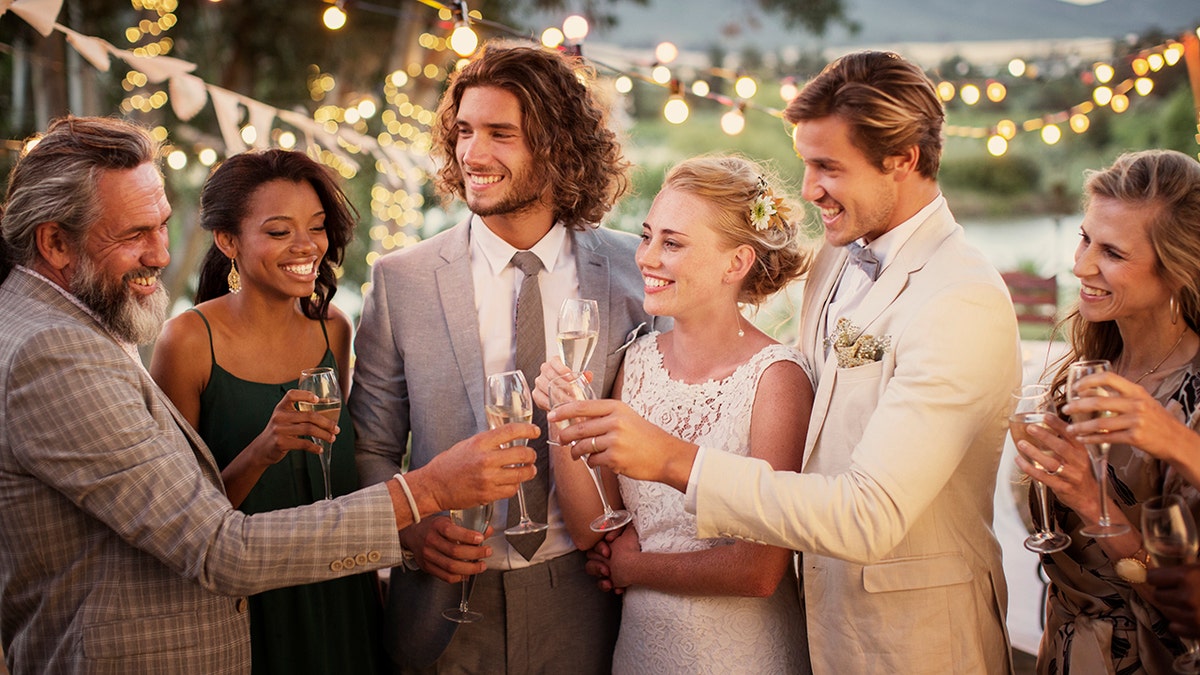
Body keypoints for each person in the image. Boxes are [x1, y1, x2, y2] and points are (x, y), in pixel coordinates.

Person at [0, 115, 536, 674]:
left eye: (161, 226)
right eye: (135, 234)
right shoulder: (53, 352)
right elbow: (218, 546)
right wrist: (425, 488)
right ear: (55, 242)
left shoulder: (72, 321)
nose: (160, 254)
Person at [553, 50, 1021, 673]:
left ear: (903, 159)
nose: (807, 191)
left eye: (828, 166)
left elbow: (868, 515)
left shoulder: (961, 298)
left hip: (909, 643)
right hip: (810, 628)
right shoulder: (838, 258)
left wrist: (671, 459)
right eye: (805, 164)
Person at [348, 42, 658, 673]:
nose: (472, 154)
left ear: (557, 145)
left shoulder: (636, 272)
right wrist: (409, 529)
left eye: (500, 134)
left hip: (589, 592)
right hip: (446, 599)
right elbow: (369, 445)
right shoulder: (402, 279)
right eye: (463, 131)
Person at [538, 155, 811, 672]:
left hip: (741, 654)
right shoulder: (637, 361)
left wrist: (633, 566)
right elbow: (592, 527)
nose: (646, 258)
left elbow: (759, 570)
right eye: (647, 236)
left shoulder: (777, 379)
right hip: (642, 649)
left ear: (737, 262)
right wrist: (565, 417)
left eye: (673, 243)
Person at [149, 149, 385, 674]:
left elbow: (336, 480)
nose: (307, 247)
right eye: (279, 232)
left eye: (317, 227)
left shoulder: (335, 330)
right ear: (228, 241)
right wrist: (264, 449)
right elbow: (178, 522)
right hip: (247, 609)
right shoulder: (188, 341)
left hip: (343, 593)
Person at [1012, 149, 1200, 673]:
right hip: (1064, 650)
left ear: (1178, 268)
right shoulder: (1086, 369)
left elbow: (1186, 612)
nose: (1080, 266)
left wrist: (1095, 506)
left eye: (1113, 253)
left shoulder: (1193, 400)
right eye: (1084, 237)